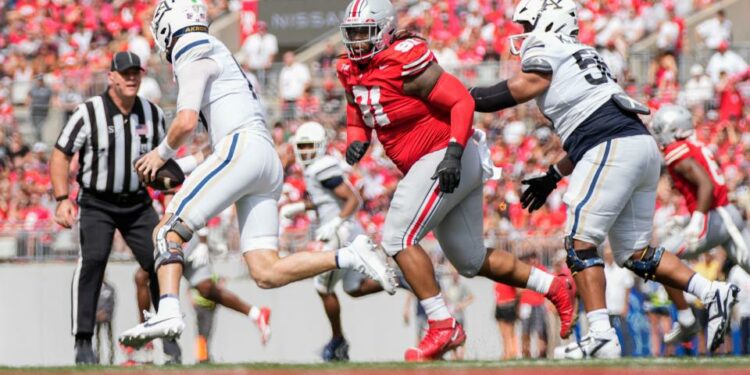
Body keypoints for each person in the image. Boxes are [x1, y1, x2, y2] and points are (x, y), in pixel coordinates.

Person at [470, 0, 739, 359]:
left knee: (579, 242)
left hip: (612, 145)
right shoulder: (584, 53)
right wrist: (553, 175)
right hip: (638, 145)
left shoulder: (547, 46)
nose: (523, 34)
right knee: (635, 253)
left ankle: (600, 334)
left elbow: (520, 88)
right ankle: (709, 291)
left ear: (547, 21)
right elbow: (591, 123)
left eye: (527, 25)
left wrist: (461, 96)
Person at [119, 0, 395, 348]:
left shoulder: (189, 47)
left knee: (167, 231)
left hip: (243, 149)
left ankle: (169, 311)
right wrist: (182, 166)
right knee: (266, 271)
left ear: (166, 26)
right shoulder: (216, 51)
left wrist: (160, 156)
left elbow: (186, 124)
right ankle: (351, 255)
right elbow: (217, 146)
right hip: (261, 158)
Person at [338, 0, 575, 362]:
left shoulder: (405, 59)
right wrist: (357, 138)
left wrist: (452, 153)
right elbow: (358, 109)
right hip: (436, 160)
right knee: (469, 259)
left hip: (447, 153)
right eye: (352, 34)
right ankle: (554, 285)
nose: (356, 42)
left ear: (384, 31)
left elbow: (461, 101)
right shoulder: (350, 69)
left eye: (364, 33)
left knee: (397, 236)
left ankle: (442, 323)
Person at [50, 51, 166, 365]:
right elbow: (61, 154)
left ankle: (167, 337)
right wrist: (62, 200)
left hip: (138, 202)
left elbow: (164, 161)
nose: (131, 78)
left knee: (160, 262)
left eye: (135, 73)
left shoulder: (152, 114)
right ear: (111, 76)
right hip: (97, 201)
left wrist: (167, 186)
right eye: (124, 73)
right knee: (93, 261)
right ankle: (83, 341)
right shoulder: (89, 112)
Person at [282, 121, 387, 362]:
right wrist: (300, 206)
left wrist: (336, 222)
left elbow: (353, 199)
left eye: (310, 146)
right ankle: (402, 278)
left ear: (319, 146)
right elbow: (327, 199)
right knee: (352, 289)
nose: (306, 151)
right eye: (303, 146)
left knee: (322, 287)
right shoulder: (317, 167)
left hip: (342, 233)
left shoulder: (321, 167)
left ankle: (338, 341)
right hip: (347, 230)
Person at [650, 104, 750, 345]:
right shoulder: (692, 146)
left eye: (660, 129)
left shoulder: (676, 149)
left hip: (720, 217)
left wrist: (695, 220)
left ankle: (686, 318)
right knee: (660, 259)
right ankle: (686, 318)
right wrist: (687, 218)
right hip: (718, 215)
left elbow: (706, 185)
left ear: (673, 129)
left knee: (659, 258)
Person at [603, 247, 634, 356]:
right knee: (607, 334)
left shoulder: (622, 269)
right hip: (607, 307)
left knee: (624, 332)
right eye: (606, 254)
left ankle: (627, 353)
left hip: (619, 307)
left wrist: (625, 305)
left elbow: (628, 287)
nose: (608, 256)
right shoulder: (603, 270)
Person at [518, 253, 548, 358]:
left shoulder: (541, 269)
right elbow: (518, 290)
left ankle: (541, 353)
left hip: (538, 304)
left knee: (540, 331)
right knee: (525, 331)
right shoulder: (523, 271)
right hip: (525, 304)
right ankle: (526, 353)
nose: (533, 261)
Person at [494, 281, 518, 360]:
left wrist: (517, 305)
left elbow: (519, 291)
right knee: (503, 333)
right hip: (499, 306)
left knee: (510, 332)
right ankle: (506, 352)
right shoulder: (496, 280)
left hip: (509, 305)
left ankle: (512, 353)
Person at [95, 279, 115, 365]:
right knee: (97, 339)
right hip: (97, 318)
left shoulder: (109, 288)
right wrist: (96, 313)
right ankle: (97, 358)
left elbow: (111, 302)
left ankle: (111, 358)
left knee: (109, 337)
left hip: (107, 318)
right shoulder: (94, 288)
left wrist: (106, 313)